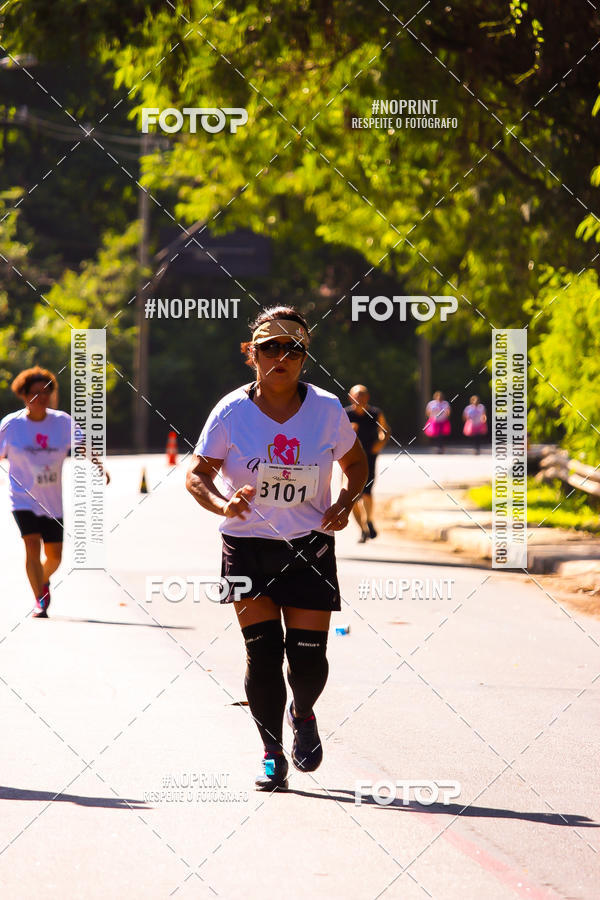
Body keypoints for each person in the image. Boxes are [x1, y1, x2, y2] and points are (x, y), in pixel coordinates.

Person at [186, 306, 368, 791]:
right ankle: (270, 750)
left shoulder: (328, 409)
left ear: (305, 357)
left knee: (307, 662)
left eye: (294, 348)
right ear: (252, 354)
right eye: (270, 347)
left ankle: (302, 712)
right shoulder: (231, 411)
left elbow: (356, 464)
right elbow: (196, 475)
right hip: (246, 546)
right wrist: (223, 506)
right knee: (262, 656)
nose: (281, 356)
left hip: (309, 546)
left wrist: (347, 501)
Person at [0, 366, 108, 618]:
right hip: (23, 499)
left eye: (46, 392)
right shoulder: (11, 425)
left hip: (52, 502)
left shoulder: (62, 422)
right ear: (24, 396)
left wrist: (100, 466)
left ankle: (42, 580)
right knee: (31, 546)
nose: (42, 398)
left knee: (55, 557)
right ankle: (39, 599)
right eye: (35, 393)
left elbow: (82, 444)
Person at [344, 385, 390, 543]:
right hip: (349, 459)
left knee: (367, 493)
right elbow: (335, 434)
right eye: (357, 396)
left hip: (369, 457)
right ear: (350, 397)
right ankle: (362, 529)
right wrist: (349, 431)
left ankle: (369, 520)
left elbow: (385, 430)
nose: (360, 399)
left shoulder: (375, 413)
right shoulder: (345, 414)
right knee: (352, 497)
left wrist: (380, 443)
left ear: (367, 397)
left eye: (363, 395)